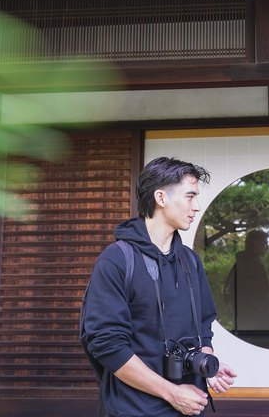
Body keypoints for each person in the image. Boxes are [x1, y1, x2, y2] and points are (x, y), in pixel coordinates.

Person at [82, 157, 237, 416]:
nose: (196, 206)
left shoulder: (190, 261)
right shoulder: (117, 260)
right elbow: (107, 345)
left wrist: (205, 365)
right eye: (190, 197)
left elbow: (204, 326)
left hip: (190, 405)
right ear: (161, 198)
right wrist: (171, 392)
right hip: (134, 409)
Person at [223, 230, 269, 347]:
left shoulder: (241, 264)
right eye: (264, 243)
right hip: (255, 324)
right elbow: (259, 295)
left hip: (245, 321)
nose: (266, 247)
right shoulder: (252, 265)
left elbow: (228, 292)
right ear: (255, 243)